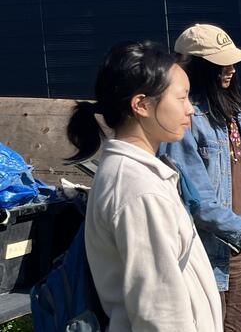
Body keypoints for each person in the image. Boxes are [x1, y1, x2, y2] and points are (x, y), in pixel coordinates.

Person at [66, 41, 222, 330]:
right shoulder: (139, 190)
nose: (191, 110)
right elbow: (160, 312)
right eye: (182, 98)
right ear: (141, 105)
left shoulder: (136, 172)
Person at [159, 24, 241, 331]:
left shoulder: (235, 115)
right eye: (221, 64)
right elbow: (198, 201)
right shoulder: (184, 121)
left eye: (232, 62)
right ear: (194, 67)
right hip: (207, 252)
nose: (231, 69)